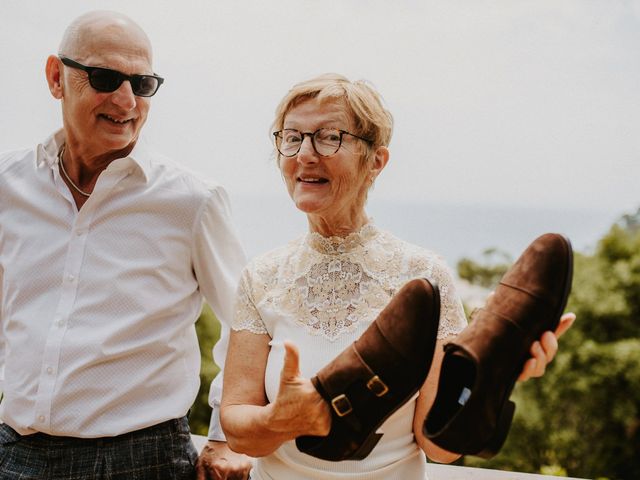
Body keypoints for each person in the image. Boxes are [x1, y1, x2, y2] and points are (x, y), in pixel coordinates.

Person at [219, 73, 576, 479]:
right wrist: (280, 420)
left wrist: (497, 376)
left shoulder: (424, 276)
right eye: (292, 137)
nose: (304, 154)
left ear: (376, 161)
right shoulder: (262, 276)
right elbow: (238, 431)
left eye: (329, 136)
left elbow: (438, 447)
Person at [0, 11, 251, 480]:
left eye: (142, 83)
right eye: (105, 77)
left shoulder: (192, 200)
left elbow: (250, 325)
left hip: (144, 462)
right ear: (57, 77)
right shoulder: (6, 186)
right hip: (14, 455)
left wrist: (223, 436)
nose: (125, 100)